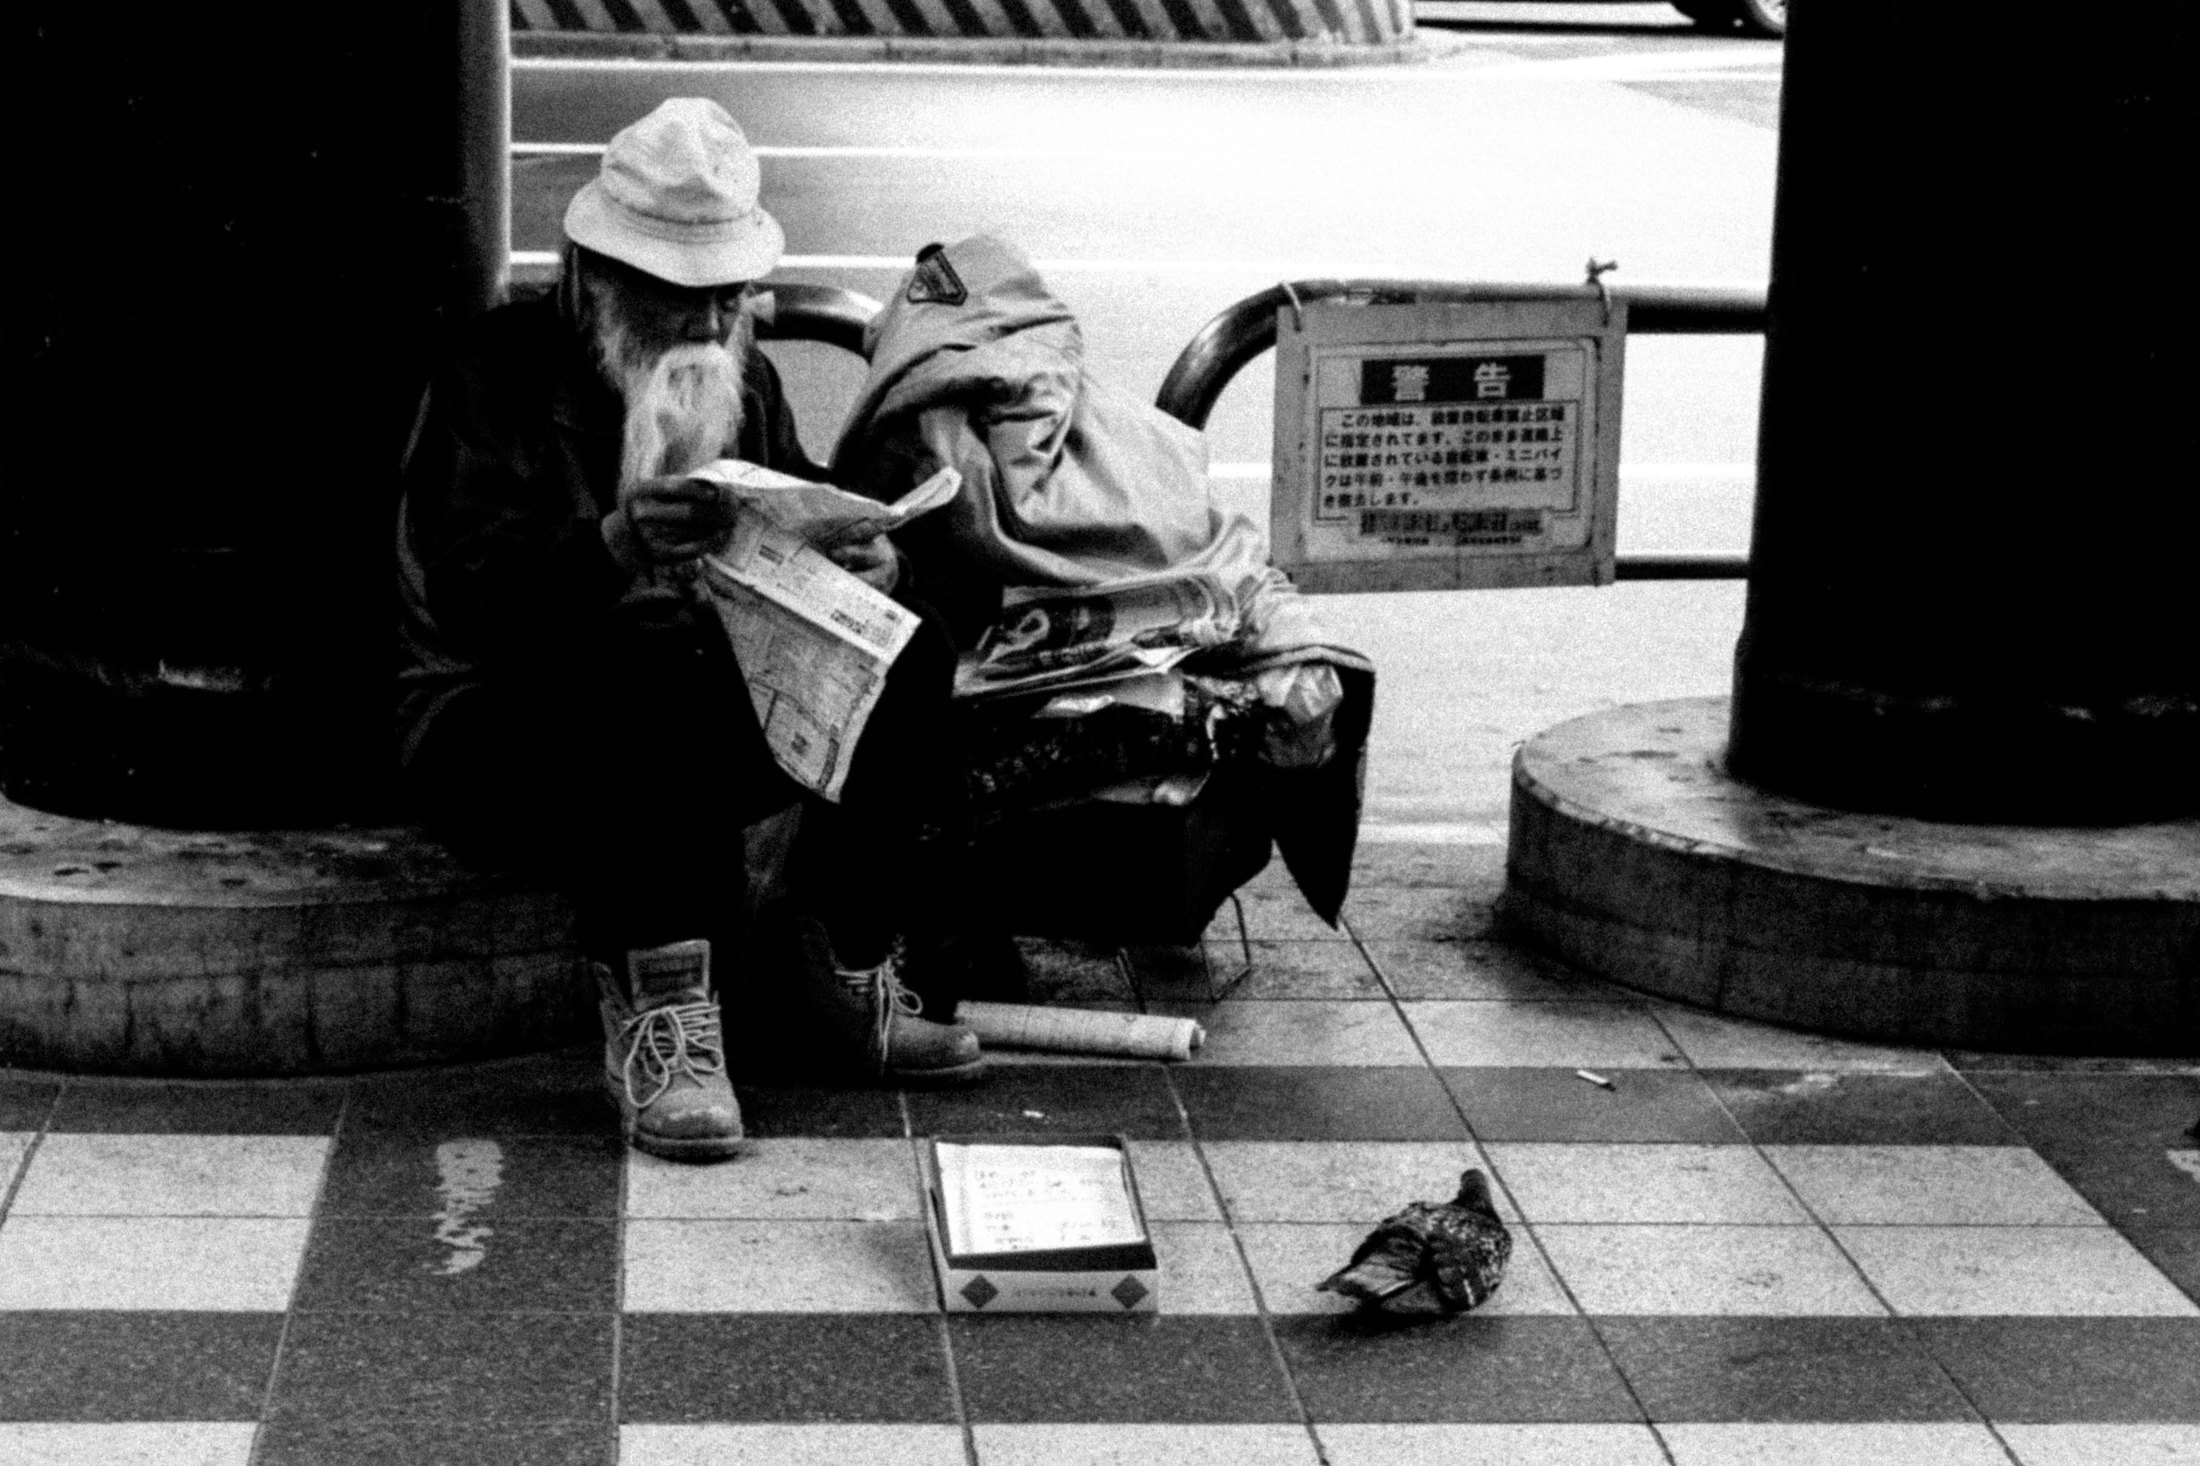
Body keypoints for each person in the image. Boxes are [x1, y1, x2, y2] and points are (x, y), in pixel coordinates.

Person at [395, 98, 984, 1165]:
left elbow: (796, 506)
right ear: (594, 277)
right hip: (496, 721)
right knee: (650, 655)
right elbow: (469, 593)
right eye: (681, 299)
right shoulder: (494, 373)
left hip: (687, 694)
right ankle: (662, 1011)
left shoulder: (743, 376)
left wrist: (863, 558)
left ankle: (834, 966)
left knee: (911, 642)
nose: (711, 328)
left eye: (727, 298)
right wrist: (612, 547)